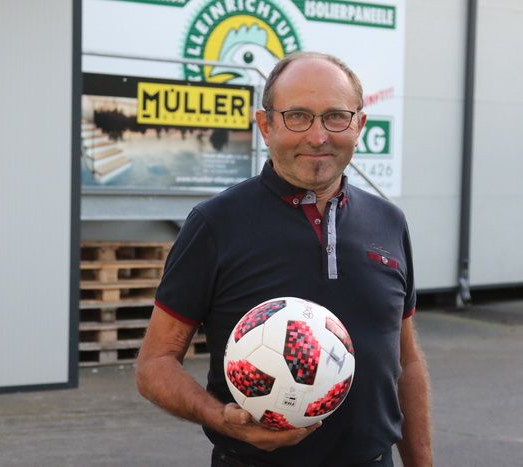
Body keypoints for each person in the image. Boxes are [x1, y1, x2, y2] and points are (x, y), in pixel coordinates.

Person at [136, 51, 432, 467]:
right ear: (266, 125)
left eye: (336, 117)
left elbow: (406, 361)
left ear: (359, 125)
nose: (318, 136)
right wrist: (219, 417)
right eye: (297, 117)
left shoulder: (389, 222)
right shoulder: (216, 224)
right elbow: (155, 363)